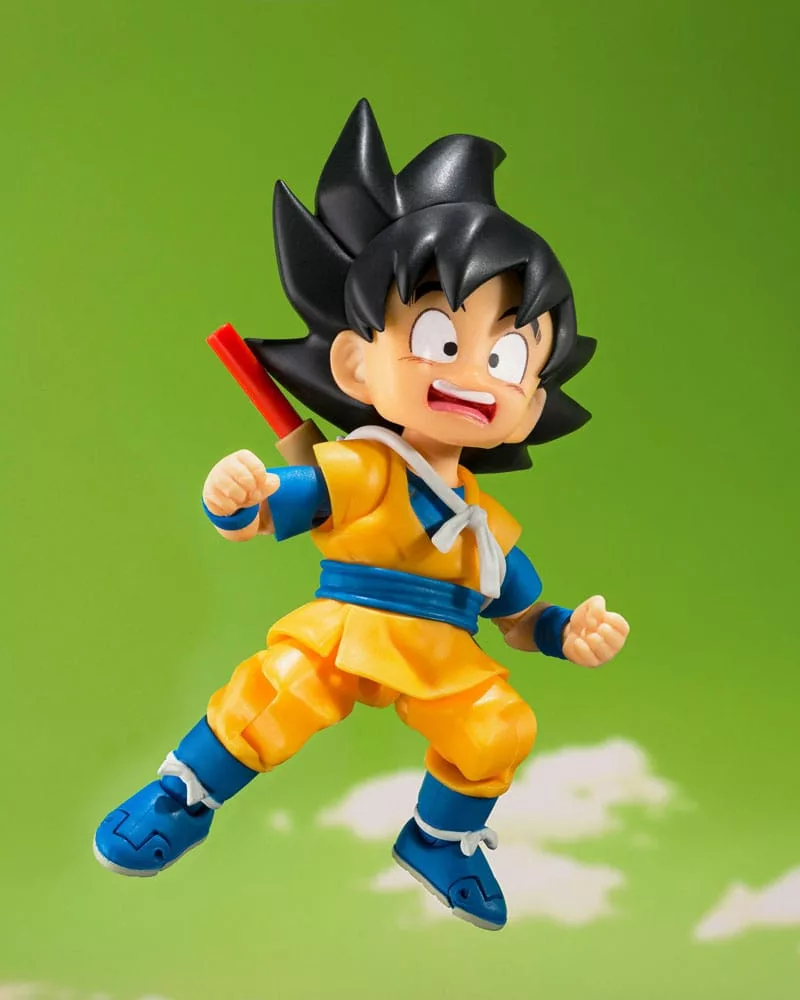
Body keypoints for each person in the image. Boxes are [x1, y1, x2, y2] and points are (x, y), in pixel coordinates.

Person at [94, 99, 630, 931]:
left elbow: (521, 619)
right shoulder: (366, 467)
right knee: (280, 691)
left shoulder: (485, 524)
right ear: (354, 362)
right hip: (350, 623)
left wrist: (569, 632)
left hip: (443, 649)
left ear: (532, 403)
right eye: (442, 340)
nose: (476, 376)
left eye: (507, 355)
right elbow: (276, 506)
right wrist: (235, 496)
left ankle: (439, 840)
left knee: (499, 727)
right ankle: (182, 794)